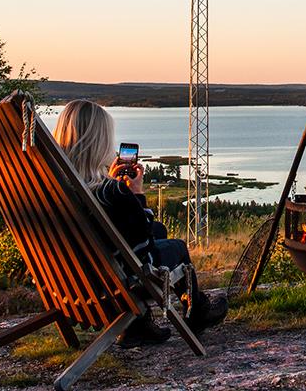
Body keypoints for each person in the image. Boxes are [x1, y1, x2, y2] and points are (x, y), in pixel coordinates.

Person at [53, 99, 227, 347]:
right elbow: (141, 237)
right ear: (98, 144)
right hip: (114, 284)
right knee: (176, 246)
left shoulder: (58, 188)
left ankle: (138, 326)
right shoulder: (112, 193)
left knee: (160, 230)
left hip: (75, 281)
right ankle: (197, 312)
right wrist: (135, 195)